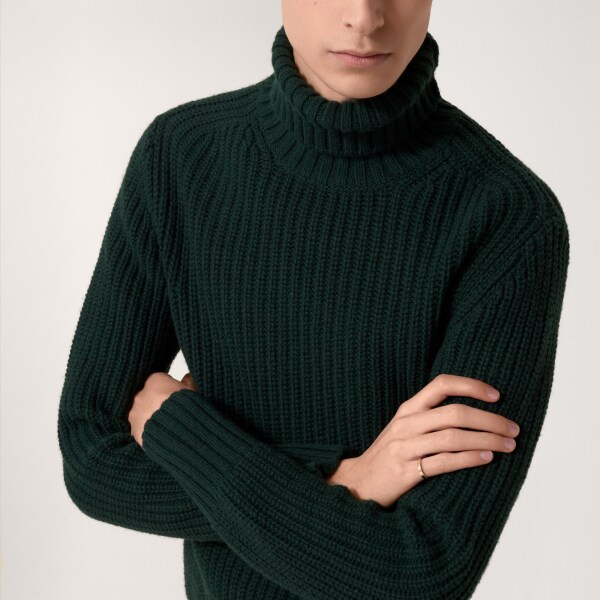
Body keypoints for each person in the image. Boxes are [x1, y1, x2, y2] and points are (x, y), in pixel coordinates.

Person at [57, 1, 570, 599]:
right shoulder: (181, 157)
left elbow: (423, 572)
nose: (365, 17)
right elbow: (93, 460)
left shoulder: (507, 217)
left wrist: (183, 432)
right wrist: (345, 479)